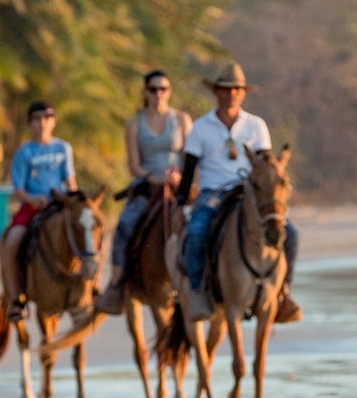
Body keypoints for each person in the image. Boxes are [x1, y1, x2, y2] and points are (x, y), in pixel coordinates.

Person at [174, 63, 300, 323]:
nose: (232, 94)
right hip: (213, 192)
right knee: (196, 233)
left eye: (237, 89)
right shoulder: (201, 127)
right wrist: (179, 204)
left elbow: (265, 164)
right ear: (216, 92)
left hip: (249, 192)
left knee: (291, 235)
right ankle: (198, 291)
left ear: (244, 94)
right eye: (226, 89)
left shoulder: (256, 126)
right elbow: (188, 171)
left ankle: (283, 292)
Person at [95, 71, 191, 314]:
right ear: (145, 92)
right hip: (147, 188)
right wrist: (154, 178)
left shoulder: (181, 120)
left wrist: (179, 178)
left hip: (178, 190)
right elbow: (134, 165)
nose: (158, 94)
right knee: (124, 227)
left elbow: (189, 158)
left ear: (169, 91)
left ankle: (206, 281)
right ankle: (116, 283)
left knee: (202, 224)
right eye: (153, 89)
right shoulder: (134, 124)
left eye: (163, 89)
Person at [0, 100, 76, 321]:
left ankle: (91, 285)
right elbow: (18, 189)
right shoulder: (24, 152)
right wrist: (34, 200)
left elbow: (70, 180)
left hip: (61, 204)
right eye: (37, 119)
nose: (42, 123)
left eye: (47, 118)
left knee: (86, 232)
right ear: (30, 123)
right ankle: (16, 298)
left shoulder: (63, 148)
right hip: (32, 205)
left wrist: (73, 199)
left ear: (54, 122)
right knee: (12, 243)